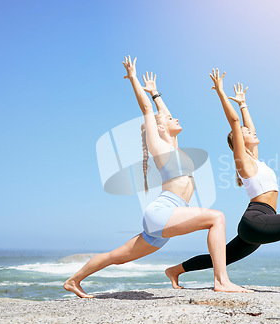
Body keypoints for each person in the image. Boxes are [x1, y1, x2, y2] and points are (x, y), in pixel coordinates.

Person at [63, 58, 251, 298]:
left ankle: (73, 280)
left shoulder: (173, 146)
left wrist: (156, 93)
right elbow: (148, 111)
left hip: (165, 222)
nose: (177, 119)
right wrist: (134, 78)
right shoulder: (158, 146)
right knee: (216, 218)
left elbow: (164, 113)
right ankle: (221, 280)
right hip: (163, 212)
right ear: (160, 128)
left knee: (117, 257)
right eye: (171, 119)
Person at [165, 69, 280, 295]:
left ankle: (174, 270)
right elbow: (235, 122)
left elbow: (249, 128)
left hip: (261, 222)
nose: (251, 132)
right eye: (245, 133)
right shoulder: (242, 160)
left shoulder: (256, 160)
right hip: (256, 220)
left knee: (222, 257)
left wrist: (244, 104)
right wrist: (220, 92)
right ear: (238, 141)